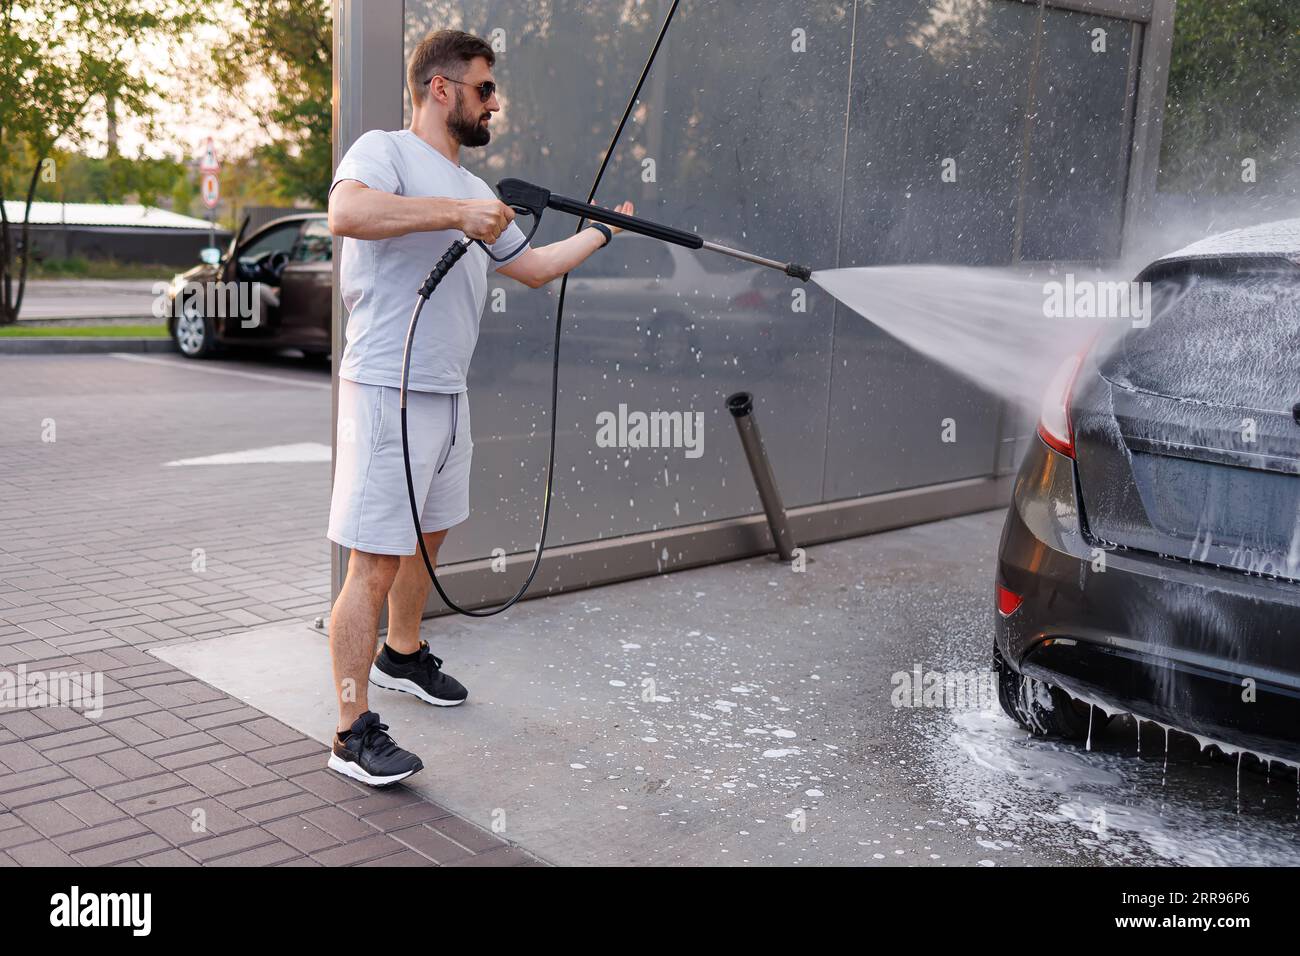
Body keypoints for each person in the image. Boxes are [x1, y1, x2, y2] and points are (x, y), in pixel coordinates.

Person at [324, 29, 633, 786]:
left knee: (428, 538)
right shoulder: (385, 152)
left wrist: (597, 234)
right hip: (386, 386)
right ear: (441, 88)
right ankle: (349, 731)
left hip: (446, 392)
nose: (494, 102)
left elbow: (529, 268)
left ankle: (402, 654)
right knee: (373, 560)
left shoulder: (479, 192)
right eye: (484, 88)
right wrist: (450, 217)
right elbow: (348, 215)